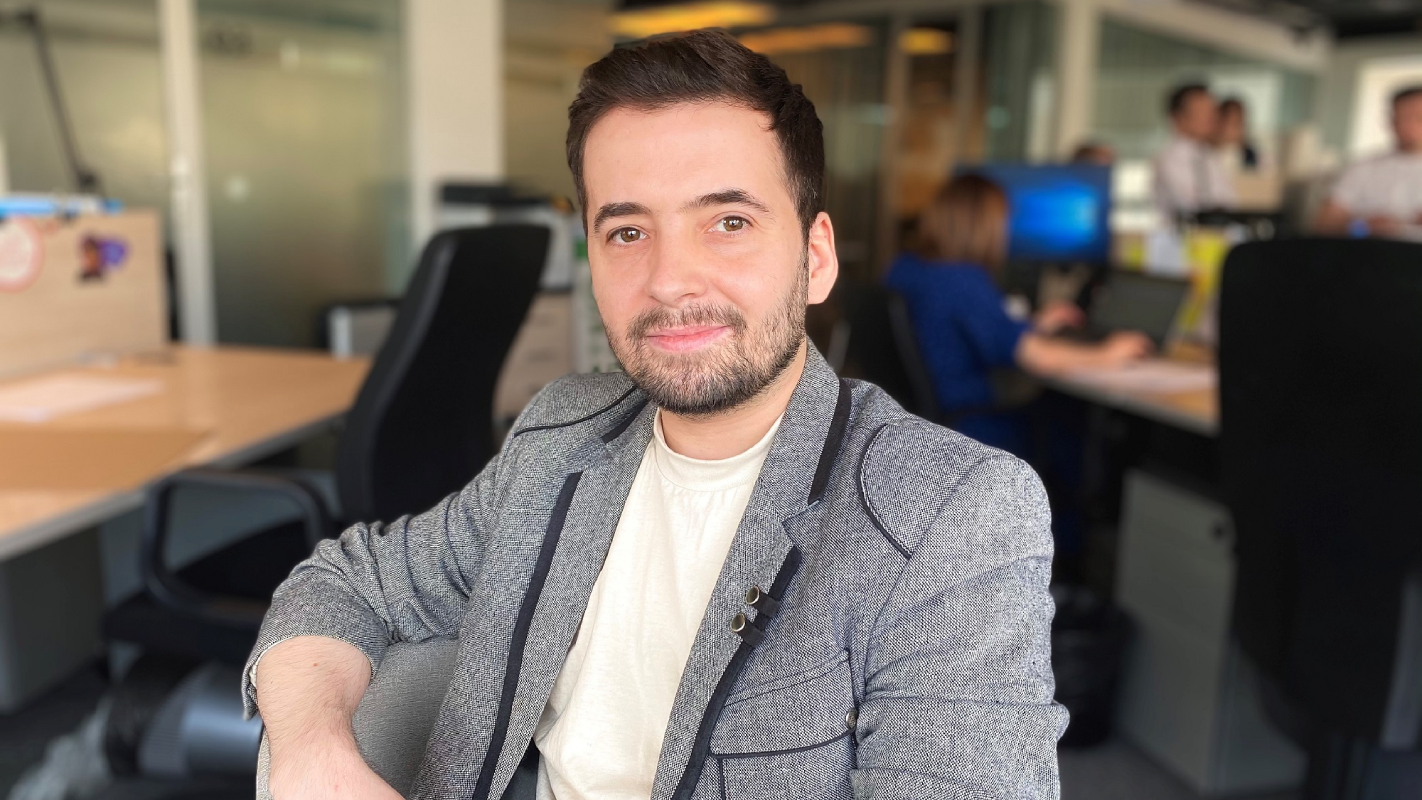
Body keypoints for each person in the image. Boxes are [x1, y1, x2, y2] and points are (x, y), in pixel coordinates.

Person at [248, 29, 1066, 800]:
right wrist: (315, 755)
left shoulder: (952, 512)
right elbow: (346, 583)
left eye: (729, 222)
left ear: (815, 259)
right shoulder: (562, 434)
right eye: (628, 231)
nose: (670, 280)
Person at [884, 174, 1153, 454]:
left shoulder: (905, 268)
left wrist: (1036, 324)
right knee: (1074, 414)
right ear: (985, 227)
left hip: (920, 423)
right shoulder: (964, 281)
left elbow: (963, 330)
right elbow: (1039, 358)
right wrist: (1107, 353)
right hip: (972, 428)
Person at [1313, 85, 1422, 239]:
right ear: (1391, 120)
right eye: (1403, 117)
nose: (1410, 126)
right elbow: (1323, 226)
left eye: (1418, 117)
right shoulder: (1362, 168)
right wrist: (1362, 226)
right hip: (1368, 250)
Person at [1152, 82, 1237, 220]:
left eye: (1212, 110)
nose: (1212, 118)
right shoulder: (1168, 161)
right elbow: (1192, 207)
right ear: (1179, 117)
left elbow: (1229, 202)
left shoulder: (1211, 156)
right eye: (1202, 111)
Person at [1214, 97, 1261, 173]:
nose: (1239, 129)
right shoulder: (1208, 152)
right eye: (1234, 123)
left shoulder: (1249, 154)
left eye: (1241, 122)